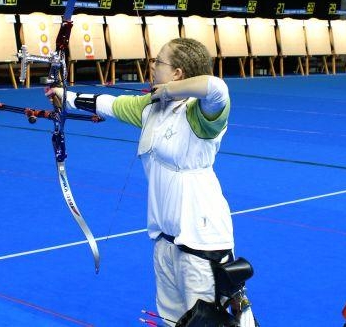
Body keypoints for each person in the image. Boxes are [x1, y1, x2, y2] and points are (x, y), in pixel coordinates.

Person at [46, 38, 256, 326]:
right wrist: (64, 94)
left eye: (159, 62)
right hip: (164, 238)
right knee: (173, 320)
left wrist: (168, 91)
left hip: (201, 237)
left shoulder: (201, 113)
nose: (152, 66)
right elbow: (108, 104)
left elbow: (216, 87)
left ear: (178, 74)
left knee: (206, 321)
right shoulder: (150, 108)